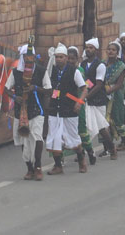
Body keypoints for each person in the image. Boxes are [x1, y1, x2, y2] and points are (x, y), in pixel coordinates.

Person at [5, 43, 50, 181]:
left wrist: (35, 88)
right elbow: (6, 88)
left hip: (36, 110)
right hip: (21, 111)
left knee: (37, 138)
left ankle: (38, 166)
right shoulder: (16, 72)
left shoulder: (41, 71)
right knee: (22, 139)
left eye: (31, 57)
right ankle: (29, 168)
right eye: (26, 57)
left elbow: (49, 91)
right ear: (23, 57)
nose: (28, 60)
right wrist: (14, 97)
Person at [45, 44, 88, 175]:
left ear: (66, 58)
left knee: (73, 138)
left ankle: (81, 160)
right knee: (54, 138)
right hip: (55, 110)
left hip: (69, 110)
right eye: (57, 57)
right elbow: (52, 89)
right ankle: (58, 166)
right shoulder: (52, 71)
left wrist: (79, 103)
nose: (58, 59)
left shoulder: (73, 71)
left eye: (61, 57)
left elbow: (84, 89)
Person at [81, 38, 117, 159]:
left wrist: (86, 96)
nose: (88, 50)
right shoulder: (83, 64)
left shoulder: (100, 65)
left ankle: (112, 149)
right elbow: (86, 81)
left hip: (98, 100)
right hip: (88, 99)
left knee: (101, 127)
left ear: (96, 50)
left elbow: (99, 84)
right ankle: (85, 151)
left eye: (91, 48)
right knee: (86, 125)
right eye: (87, 47)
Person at [103, 40, 125, 155]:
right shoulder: (102, 64)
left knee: (117, 121)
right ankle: (108, 148)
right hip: (104, 96)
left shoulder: (121, 66)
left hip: (115, 96)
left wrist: (109, 90)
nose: (111, 52)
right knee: (104, 122)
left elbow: (119, 84)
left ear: (117, 52)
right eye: (109, 49)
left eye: (113, 50)